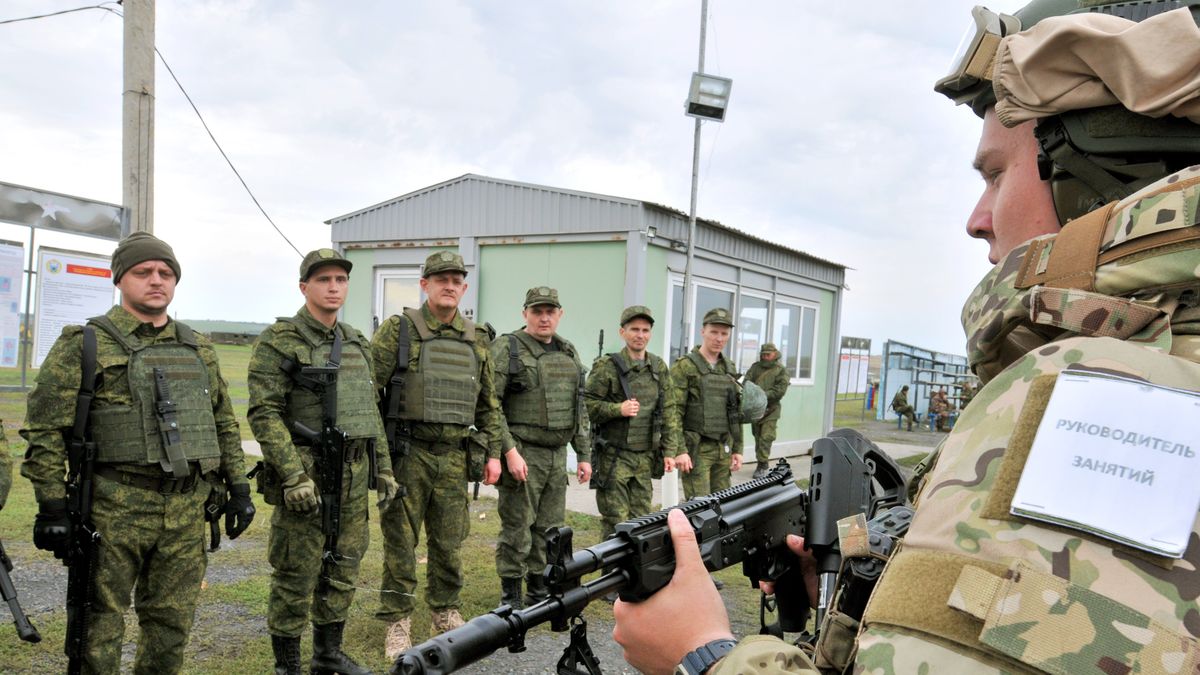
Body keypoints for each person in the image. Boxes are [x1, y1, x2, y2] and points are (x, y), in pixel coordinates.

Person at [615, 3, 1200, 673]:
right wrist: (874, 606)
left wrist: (702, 654)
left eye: (995, 174)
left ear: (1099, 171)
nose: (977, 220)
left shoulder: (1101, 388)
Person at [22, 232, 254, 674]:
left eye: (166, 273)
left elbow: (222, 421)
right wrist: (51, 506)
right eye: (143, 272)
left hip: (186, 508)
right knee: (97, 626)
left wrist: (239, 487)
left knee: (171, 624)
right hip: (113, 508)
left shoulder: (197, 347)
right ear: (120, 279)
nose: (156, 280)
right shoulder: (84, 343)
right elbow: (46, 429)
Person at [248, 248, 395, 675]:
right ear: (304, 287)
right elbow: (264, 411)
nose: (334, 287)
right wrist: (293, 474)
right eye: (324, 280)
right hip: (307, 474)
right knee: (297, 572)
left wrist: (382, 466)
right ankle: (288, 665)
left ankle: (327, 655)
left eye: (340, 280)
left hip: (353, 473)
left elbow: (370, 410)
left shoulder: (355, 341)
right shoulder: (280, 340)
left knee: (344, 566)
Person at [369, 250, 505, 659]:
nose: (449, 285)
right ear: (424, 285)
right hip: (407, 453)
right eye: (440, 278)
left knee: (449, 540)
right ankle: (397, 621)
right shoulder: (399, 330)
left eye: (456, 279)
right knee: (401, 542)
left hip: (453, 457)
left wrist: (494, 452)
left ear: (464, 287)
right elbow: (368, 393)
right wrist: (378, 457)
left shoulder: (476, 337)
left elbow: (488, 403)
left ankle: (445, 611)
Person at [490, 286, 592, 609]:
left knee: (549, 528)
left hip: (556, 454)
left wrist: (584, 454)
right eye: (537, 311)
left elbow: (579, 408)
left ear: (560, 314)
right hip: (522, 449)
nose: (544, 318)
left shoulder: (568, 352)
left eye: (550, 311)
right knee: (518, 527)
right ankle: (511, 597)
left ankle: (537, 588)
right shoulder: (507, 348)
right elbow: (490, 405)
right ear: (525, 314)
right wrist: (508, 451)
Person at [583, 305, 672, 543]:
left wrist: (671, 451)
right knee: (615, 522)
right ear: (622, 332)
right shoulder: (607, 367)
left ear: (650, 333)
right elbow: (586, 405)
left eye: (645, 330)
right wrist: (617, 409)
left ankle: (635, 577)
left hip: (645, 457)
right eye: (634, 329)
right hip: (614, 457)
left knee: (643, 521)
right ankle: (611, 577)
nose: (640, 335)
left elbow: (669, 411)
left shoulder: (658, 367)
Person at [663, 307, 744, 501]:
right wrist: (680, 450)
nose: (719, 338)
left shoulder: (729, 368)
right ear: (703, 332)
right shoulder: (685, 366)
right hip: (697, 450)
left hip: (723, 448)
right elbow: (673, 412)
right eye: (714, 332)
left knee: (725, 504)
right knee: (700, 509)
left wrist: (738, 449)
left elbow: (736, 411)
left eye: (724, 333)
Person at [743, 343, 789, 479]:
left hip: (771, 409)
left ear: (775, 354)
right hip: (756, 409)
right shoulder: (755, 367)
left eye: (768, 354)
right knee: (757, 437)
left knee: (766, 437)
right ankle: (761, 461)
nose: (765, 357)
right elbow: (746, 382)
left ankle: (762, 465)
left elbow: (780, 391)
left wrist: (761, 395)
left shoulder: (781, 370)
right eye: (763, 354)